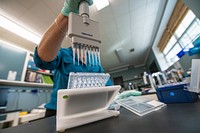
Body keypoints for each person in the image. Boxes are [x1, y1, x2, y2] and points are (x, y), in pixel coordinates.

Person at [33, 0, 112, 117]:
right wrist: (66, 14)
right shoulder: (63, 54)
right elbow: (42, 60)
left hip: (90, 111)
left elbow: (108, 87)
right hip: (58, 113)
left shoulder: (95, 61)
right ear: (72, 37)